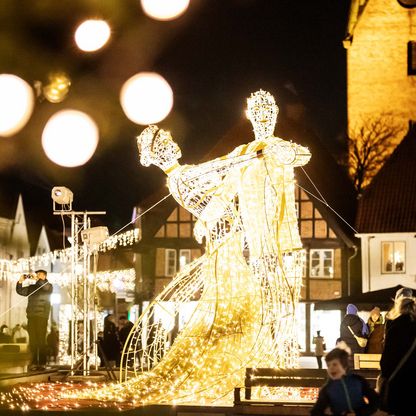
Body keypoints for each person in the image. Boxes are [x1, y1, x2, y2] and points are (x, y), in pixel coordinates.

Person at [311, 348, 380, 416]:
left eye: (335, 364)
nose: (331, 368)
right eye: (328, 365)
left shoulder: (358, 381)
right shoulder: (328, 389)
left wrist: (361, 413)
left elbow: (375, 401)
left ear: (344, 366)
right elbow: (316, 412)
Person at [379, 296, 416, 415]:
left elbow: (386, 359)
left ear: (399, 308)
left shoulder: (394, 328)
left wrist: (384, 375)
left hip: (398, 383)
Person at [16, 270, 52, 370]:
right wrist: (20, 282)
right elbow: (21, 291)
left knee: (41, 340)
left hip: (42, 316)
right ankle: (34, 362)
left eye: (40, 274)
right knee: (33, 340)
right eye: (37, 274)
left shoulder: (48, 286)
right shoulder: (32, 287)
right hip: (31, 316)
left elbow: (44, 287)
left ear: (44, 276)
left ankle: (42, 362)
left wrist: (38, 280)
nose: (37, 276)